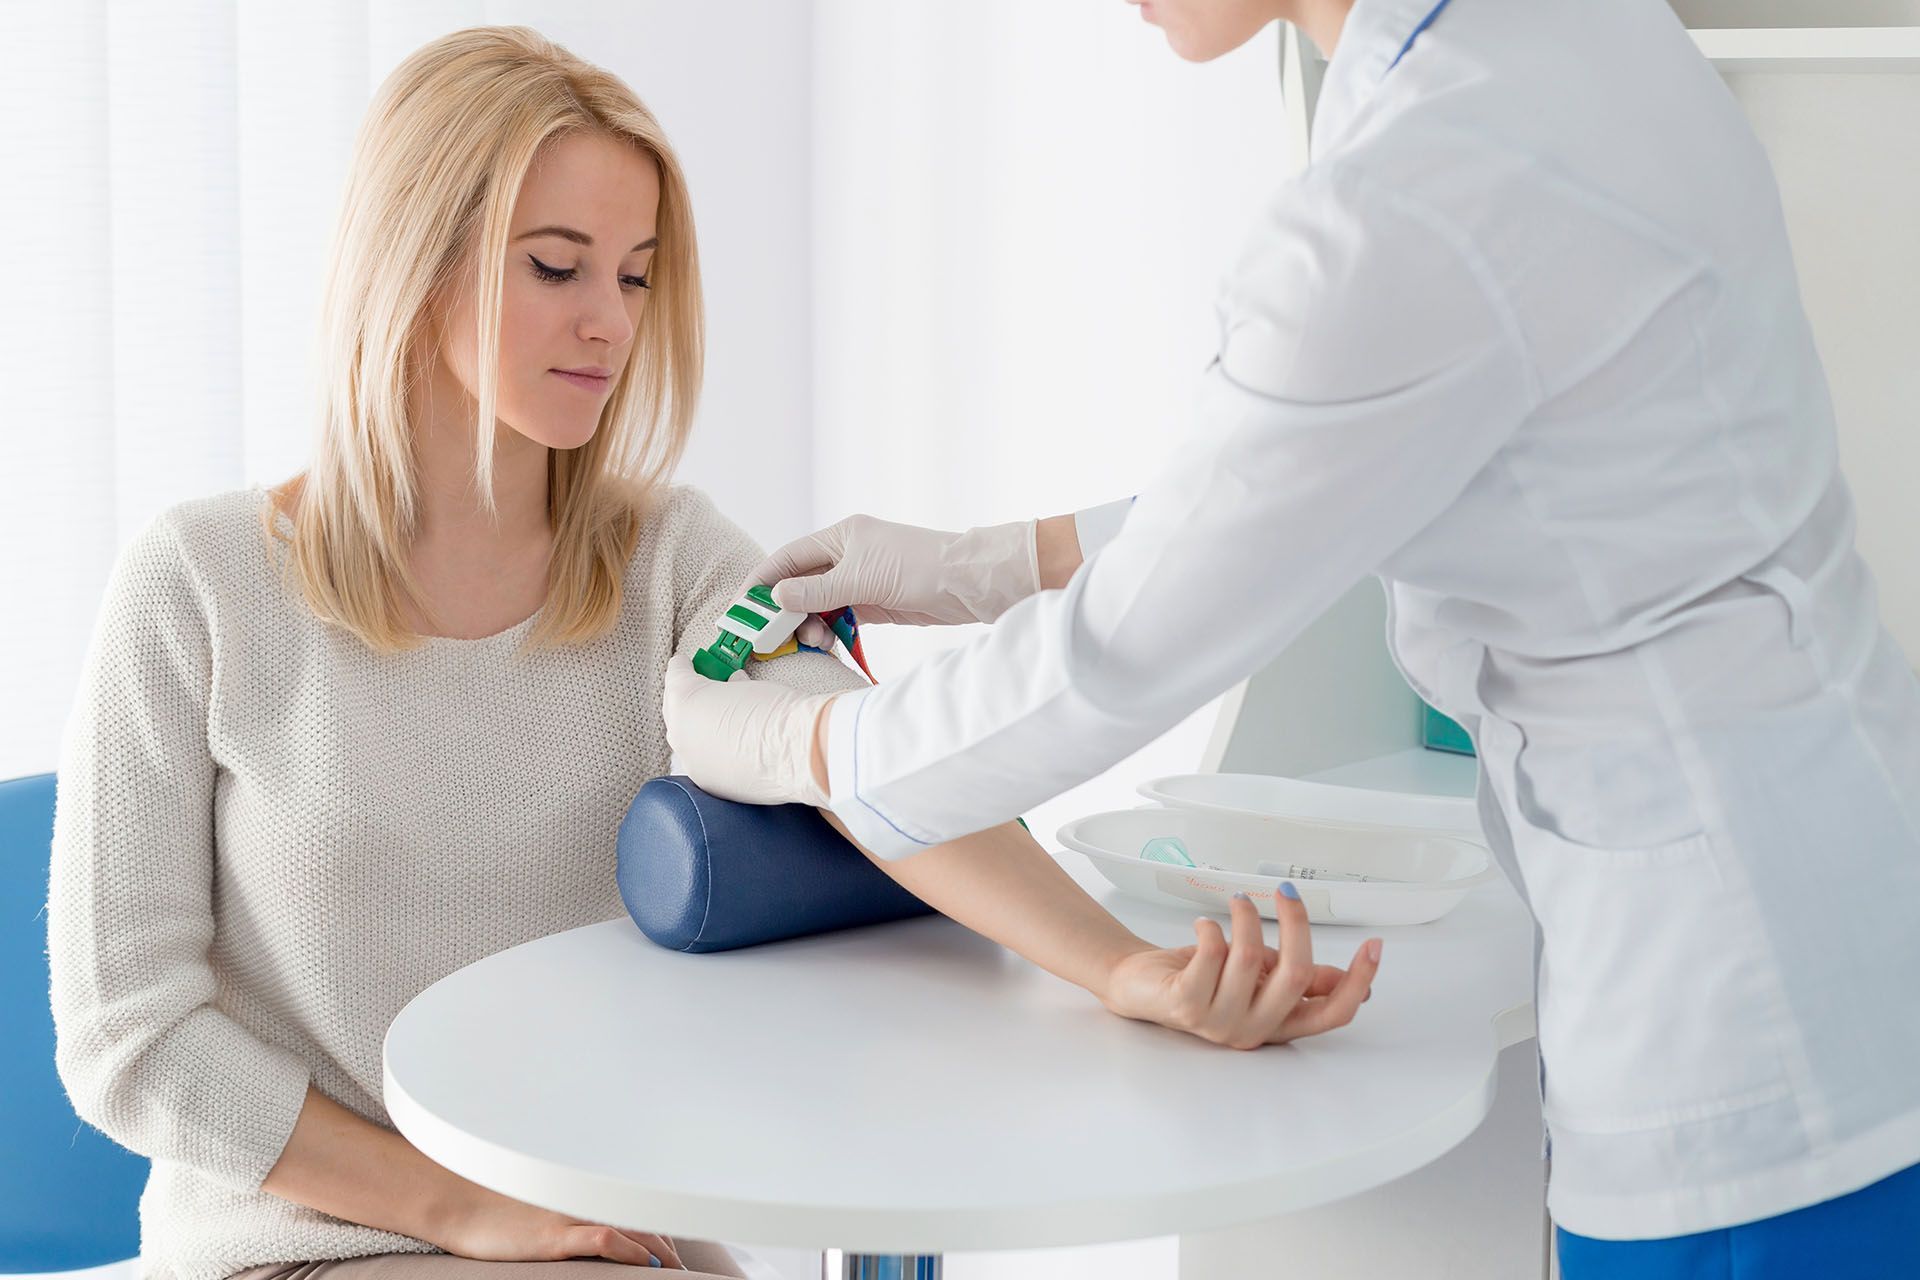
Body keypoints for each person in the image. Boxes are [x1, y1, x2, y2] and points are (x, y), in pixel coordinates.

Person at [44, 24, 1381, 1280]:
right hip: (315, 1242)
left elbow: (877, 783)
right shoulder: (201, 586)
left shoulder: (673, 562)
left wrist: (1130, 972)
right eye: (556, 266)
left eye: (634, 277)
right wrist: (466, 1210)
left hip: (614, 1238)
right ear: (419, 261)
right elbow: (132, 1039)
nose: (610, 326)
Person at [662, 0, 1920, 1274]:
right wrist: (984, 565)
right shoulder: (1567, 37)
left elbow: (1124, 658)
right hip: (1847, 889)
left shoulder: (1413, 193)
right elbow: (1365, 464)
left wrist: (803, 740)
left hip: (1741, 1037)